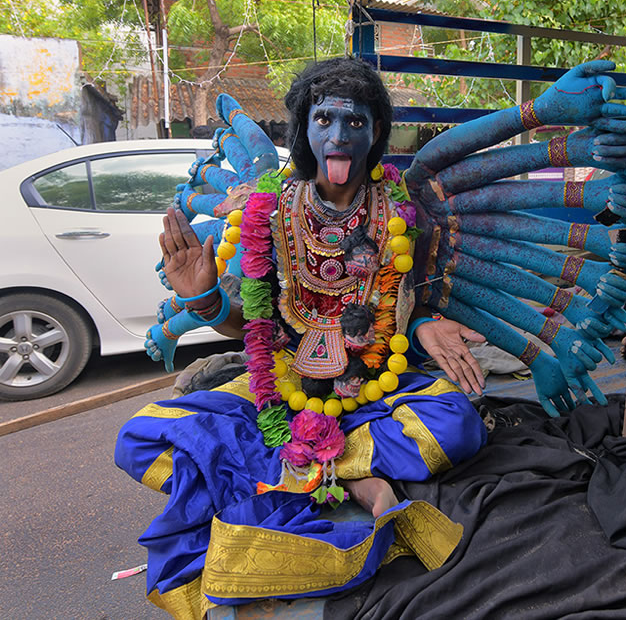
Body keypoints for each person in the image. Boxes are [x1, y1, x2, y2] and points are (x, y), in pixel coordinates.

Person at [115, 58, 493, 616]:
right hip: (283, 385)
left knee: (458, 422)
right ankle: (354, 478)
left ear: (377, 133)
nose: (339, 135)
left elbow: (398, 307)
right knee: (140, 438)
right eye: (324, 119)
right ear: (304, 129)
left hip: (372, 385)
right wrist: (205, 300)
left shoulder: (400, 215)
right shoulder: (265, 212)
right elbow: (253, 327)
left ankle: (299, 473)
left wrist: (423, 325)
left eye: (356, 122)